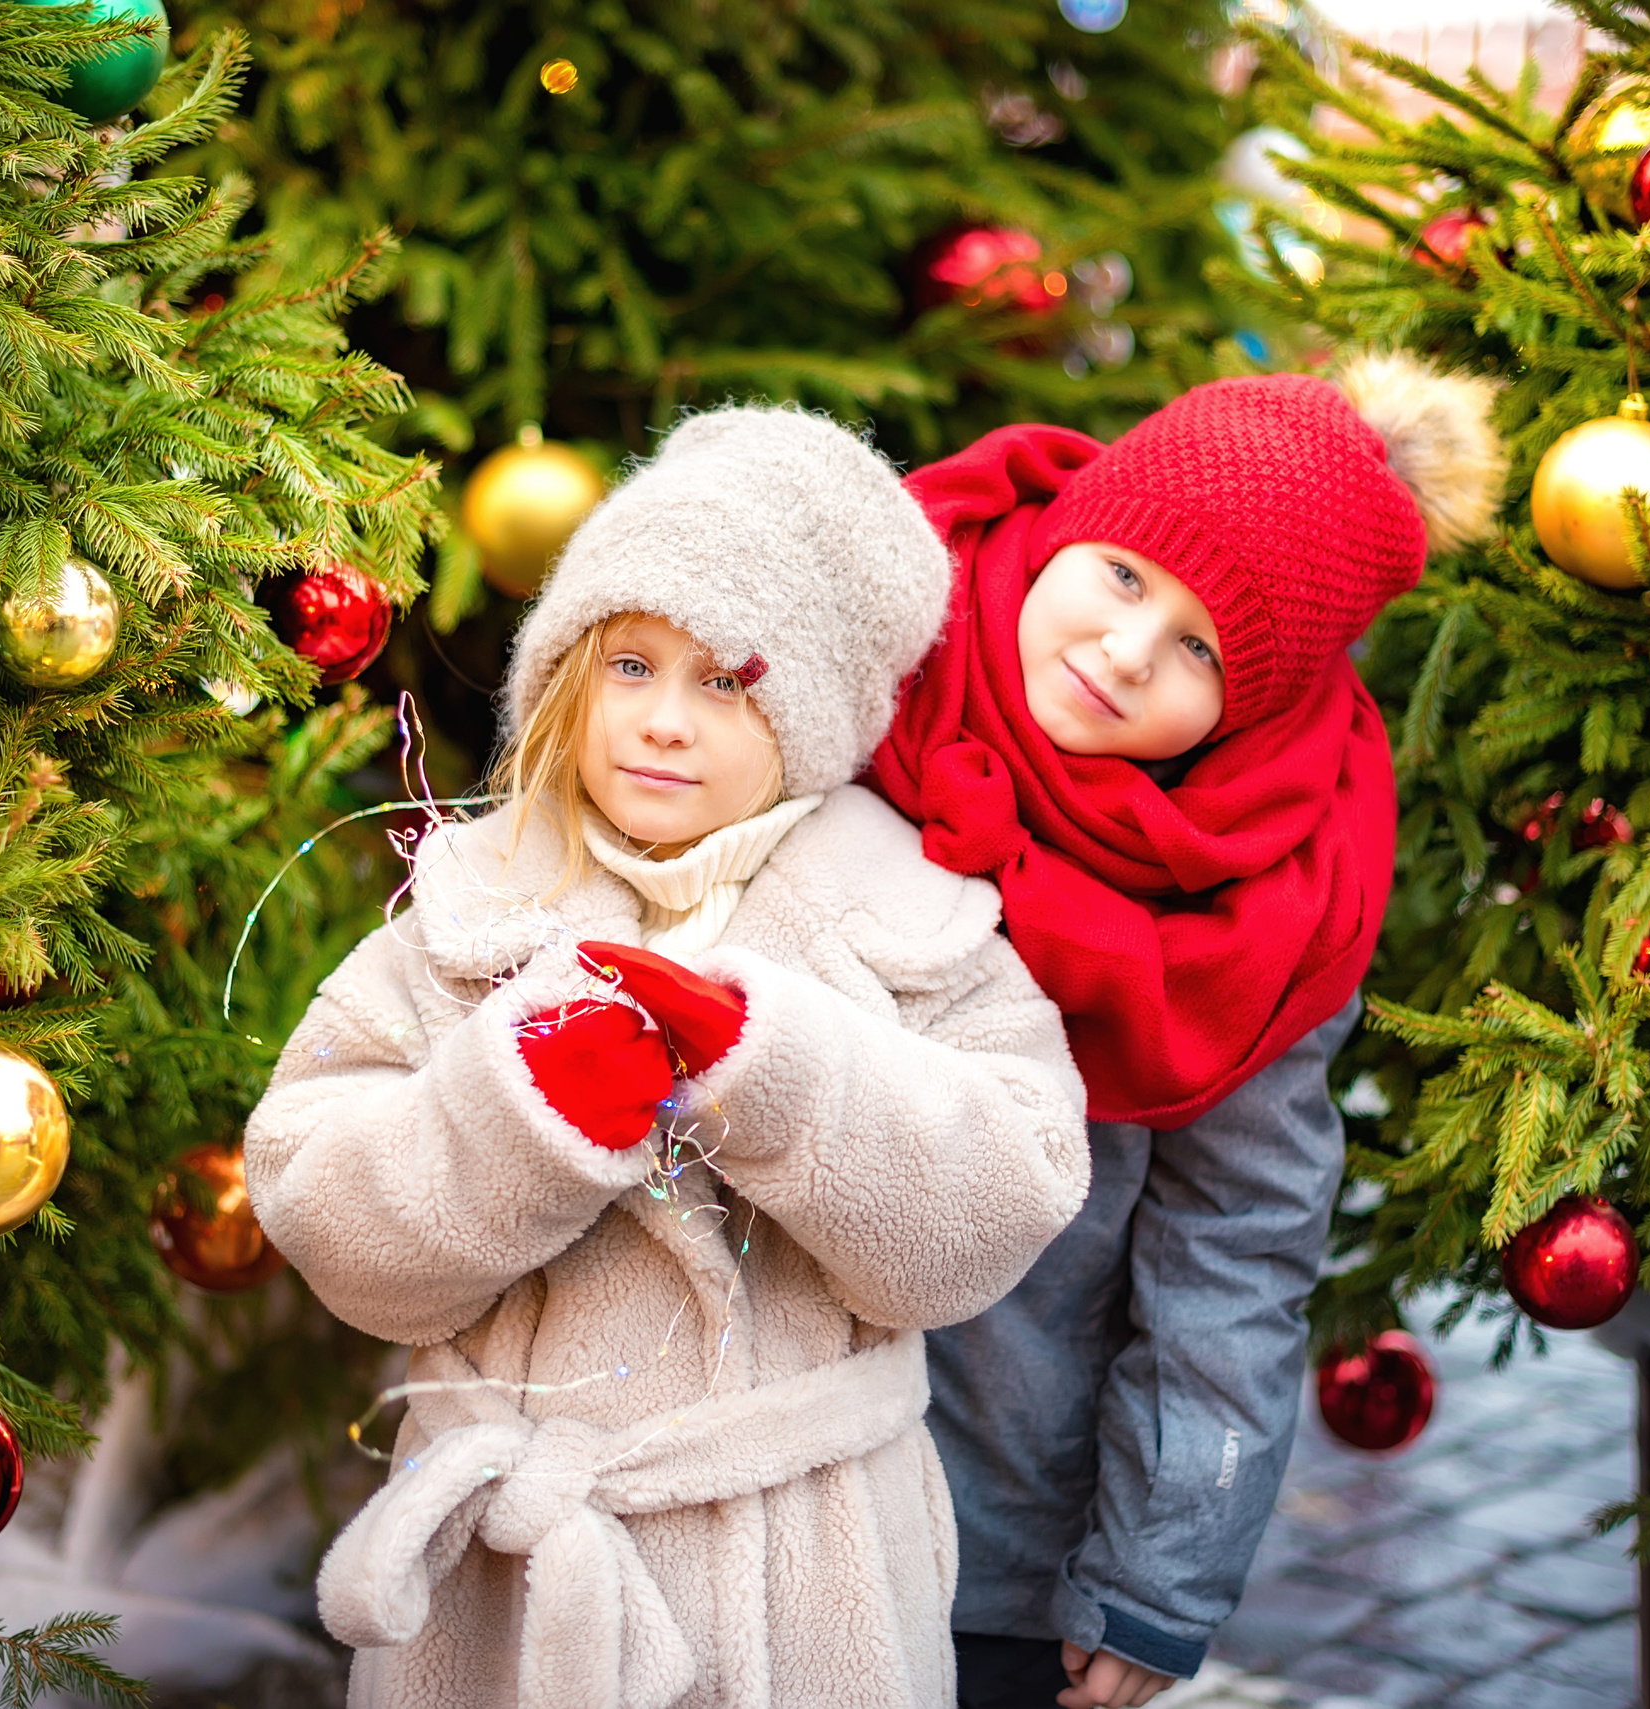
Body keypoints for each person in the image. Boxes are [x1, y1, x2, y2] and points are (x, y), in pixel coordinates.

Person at [245, 405, 1092, 1709]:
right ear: (568, 671)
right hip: (511, 1595)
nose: (664, 721)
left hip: (804, 1578)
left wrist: (786, 1073)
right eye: (631, 664)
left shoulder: (907, 925)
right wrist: (513, 1117)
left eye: (726, 681)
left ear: (806, 715)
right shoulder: (471, 913)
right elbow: (322, 1198)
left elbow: (1003, 1198)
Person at [867, 352, 1506, 1709]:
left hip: (987, 1528)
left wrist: (1159, 1577)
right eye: (1123, 575)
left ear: (1255, 698)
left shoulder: (1268, 908)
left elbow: (1236, 1251)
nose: (1125, 650)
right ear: (1073, 522)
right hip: (712, 1462)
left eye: (1204, 649)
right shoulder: (868, 662)